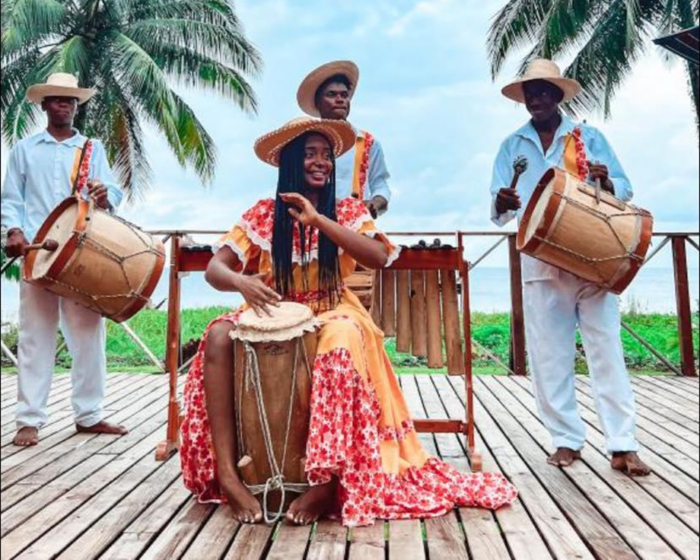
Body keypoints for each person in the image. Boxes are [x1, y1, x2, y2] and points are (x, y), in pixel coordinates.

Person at [180, 117, 517, 527]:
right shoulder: (263, 214)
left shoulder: (347, 210)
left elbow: (377, 256)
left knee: (338, 337)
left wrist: (319, 221)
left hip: (332, 307)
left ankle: (326, 482)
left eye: (326, 155)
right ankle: (230, 476)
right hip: (275, 306)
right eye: (310, 154)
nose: (321, 162)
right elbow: (215, 268)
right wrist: (241, 282)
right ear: (289, 162)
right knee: (216, 336)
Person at [490, 59, 650, 477]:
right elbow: (497, 206)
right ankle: (565, 439)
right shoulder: (511, 146)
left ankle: (623, 444)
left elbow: (625, 187)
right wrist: (502, 203)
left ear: (559, 96)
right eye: (531, 93)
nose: (537, 99)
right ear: (524, 99)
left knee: (607, 350)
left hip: (591, 255)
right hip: (541, 259)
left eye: (545, 91)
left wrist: (607, 182)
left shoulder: (589, 137)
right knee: (548, 355)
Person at [1, 73, 128, 447]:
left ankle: (89, 415)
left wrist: (107, 194)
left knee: (88, 334)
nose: (65, 105)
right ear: (45, 105)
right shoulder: (24, 149)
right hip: (38, 254)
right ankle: (28, 420)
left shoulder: (92, 148)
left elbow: (112, 193)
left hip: (82, 253)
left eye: (71, 101)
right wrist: (12, 231)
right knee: (35, 336)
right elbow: (11, 199)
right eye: (58, 100)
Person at [297, 61, 391, 218]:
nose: (340, 99)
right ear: (317, 102)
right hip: (313, 222)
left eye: (344, 95)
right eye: (332, 95)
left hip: (356, 227)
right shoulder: (304, 141)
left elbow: (380, 183)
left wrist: (374, 203)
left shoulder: (366, 142)